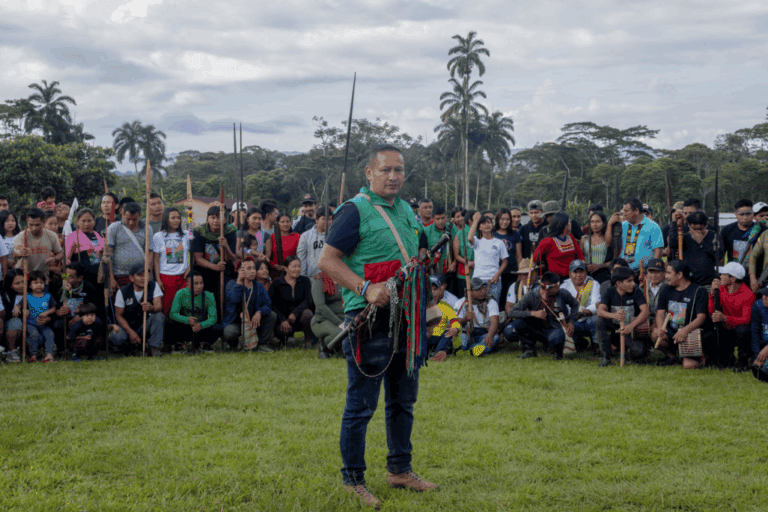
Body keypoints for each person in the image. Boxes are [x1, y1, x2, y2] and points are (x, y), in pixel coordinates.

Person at [318, 144, 437, 507]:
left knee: (403, 401)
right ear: (369, 173)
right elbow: (327, 260)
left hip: (407, 318)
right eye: (386, 170)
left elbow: (416, 260)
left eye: (399, 170)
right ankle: (353, 479)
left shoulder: (406, 211)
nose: (394, 176)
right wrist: (365, 288)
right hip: (368, 322)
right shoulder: (354, 211)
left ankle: (400, 470)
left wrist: (429, 310)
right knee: (361, 405)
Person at [508, 271, 579, 360]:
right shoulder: (531, 295)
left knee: (557, 336)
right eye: (556, 285)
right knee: (518, 322)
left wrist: (571, 322)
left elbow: (575, 304)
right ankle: (529, 350)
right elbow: (512, 312)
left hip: (555, 328)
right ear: (547, 288)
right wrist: (533, 313)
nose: (558, 287)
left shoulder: (562, 293)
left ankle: (557, 352)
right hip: (536, 328)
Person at [653, 261, 710, 368]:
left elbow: (701, 317)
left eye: (669, 273)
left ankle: (704, 357)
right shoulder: (665, 289)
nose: (666, 276)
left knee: (689, 365)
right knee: (655, 334)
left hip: (691, 331)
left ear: (679, 274)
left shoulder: (698, 291)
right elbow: (660, 312)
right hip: (672, 331)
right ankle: (672, 356)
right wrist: (661, 327)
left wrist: (685, 331)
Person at [595, 266, 651, 366]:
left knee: (638, 352)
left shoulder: (636, 291)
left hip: (631, 332)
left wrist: (631, 325)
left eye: (633, 280)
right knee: (600, 322)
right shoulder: (609, 291)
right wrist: (614, 315)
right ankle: (606, 357)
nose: (633, 284)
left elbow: (646, 311)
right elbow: (600, 311)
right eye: (629, 281)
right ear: (618, 283)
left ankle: (629, 352)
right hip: (615, 331)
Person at [110, 262, 164, 357]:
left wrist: (151, 308)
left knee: (159, 316)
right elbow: (118, 315)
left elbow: (158, 307)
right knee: (116, 336)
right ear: (131, 278)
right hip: (128, 327)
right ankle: (128, 349)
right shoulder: (122, 292)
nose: (144, 278)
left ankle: (153, 348)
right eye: (139, 275)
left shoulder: (154, 286)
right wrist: (130, 332)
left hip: (145, 326)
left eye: (146, 274)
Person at [222, 257, 275, 351]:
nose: (253, 271)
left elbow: (268, 304)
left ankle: (261, 343)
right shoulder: (231, 284)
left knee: (272, 315)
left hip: (255, 321)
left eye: (253, 268)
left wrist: (259, 312)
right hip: (237, 323)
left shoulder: (259, 286)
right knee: (229, 331)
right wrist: (239, 281)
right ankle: (234, 345)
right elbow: (235, 299)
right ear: (239, 271)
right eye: (248, 269)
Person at [708, 262, 753, 370]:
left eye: (724, 274)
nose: (720, 276)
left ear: (733, 278)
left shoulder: (748, 295)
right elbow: (711, 311)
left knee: (743, 330)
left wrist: (725, 318)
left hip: (739, 329)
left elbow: (746, 319)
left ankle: (743, 361)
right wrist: (712, 293)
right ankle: (723, 358)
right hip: (725, 328)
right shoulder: (721, 289)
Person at [192, 205, 237, 310]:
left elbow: (232, 259)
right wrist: (215, 267)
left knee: (224, 294)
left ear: (225, 219)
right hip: (205, 269)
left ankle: (222, 318)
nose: (216, 221)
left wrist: (226, 246)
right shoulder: (199, 231)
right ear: (208, 219)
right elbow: (198, 259)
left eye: (219, 217)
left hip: (224, 270)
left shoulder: (230, 232)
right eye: (213, 217)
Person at [607, 197, 664, 273]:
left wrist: (652, 272)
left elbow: (658, 252)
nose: (624, 214)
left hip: (644, 272)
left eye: (626, 211)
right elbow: (608, 243)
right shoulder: (622, 225)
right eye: (623, 211)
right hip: (624, 272)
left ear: (636, 211)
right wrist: (609, 225)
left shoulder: (653, 226)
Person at [169, 272, 221, 353]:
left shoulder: (209, 296)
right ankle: (179, 344)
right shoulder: (181, 294)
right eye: (196, 283)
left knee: (218, 327)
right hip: (185, 327)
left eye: (201, 283)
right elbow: (172, 314)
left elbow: (213, 318)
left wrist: (201, 325)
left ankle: (205, 344)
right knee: (170, 323)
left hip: (201, 328)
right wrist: (187, 320)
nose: (200, 286)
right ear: (188, 285)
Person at [669, 210, 722, 289]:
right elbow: (672, 244)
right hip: (690, 282)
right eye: (694, 229)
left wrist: (701, 242)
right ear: (688, 225)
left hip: (709, 283)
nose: (697, 232)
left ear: (706, 225)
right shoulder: (685, 237)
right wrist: (674, 222)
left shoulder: (714, 236)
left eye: (700, 229)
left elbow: (719, 255)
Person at [105, 202, 153, 290]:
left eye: (135, 219)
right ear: (122, 214)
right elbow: (108, 255)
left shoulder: (147, 228)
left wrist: (147, 273)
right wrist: (111, 278)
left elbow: (149, 252)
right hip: (119, 274)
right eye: (128, 219)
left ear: (140, 216)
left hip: (140, 276)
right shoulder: (113, 228)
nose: (131, 223)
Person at [152, 207, 191, 315]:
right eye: (173, 218)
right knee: (167, 309)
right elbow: (156, 259)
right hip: (166, 278)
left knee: (183, 309)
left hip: (183, 277)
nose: (176, 220)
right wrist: (158, 279)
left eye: (178, 217)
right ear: (166, 219)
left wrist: (190, 267)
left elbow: (194, 253)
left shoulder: (186, 234)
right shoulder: (158, 236)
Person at [269, 255, 313, 347]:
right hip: (284, 320)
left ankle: (308, 340)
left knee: (308, 313)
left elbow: (308, 300)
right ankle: (286, 338)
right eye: (294, 266)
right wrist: (282, 320)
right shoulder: (277, 283)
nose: (297, 269)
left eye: (299, 266)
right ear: (285, 268)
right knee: (284, 337)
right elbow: (273, 305)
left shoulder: (305, 281)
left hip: (299, 317)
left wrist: (295, 313)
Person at [467, 211, 508, 302]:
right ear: (479, 227)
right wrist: (475, 221)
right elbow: (469, 238)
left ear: (492, 225)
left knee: (493, 304)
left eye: (489, 222)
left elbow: (504, 261)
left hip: (493, 280)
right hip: (478, 279)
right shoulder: (477, 241)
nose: (487, 225)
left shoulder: (499, 243)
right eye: (483, 223)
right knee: (477, 305)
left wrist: (497, 275)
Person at [454, 278, 501, 357]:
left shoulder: (491, 302)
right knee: (462, 340)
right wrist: (466, 319)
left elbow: (494, 322)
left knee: (495, 337)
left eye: (483, 288)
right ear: (470, 292)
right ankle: (473, 349)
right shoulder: (460, 303)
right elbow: (455, 324)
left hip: (484, 333)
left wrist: (489, 335)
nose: (483, 291)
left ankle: (470, 350)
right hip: (466, 333)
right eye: (478, 289)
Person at [561, 260, 600, 350]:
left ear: (586, 272)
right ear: (570, 274)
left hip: (588, 318)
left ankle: (596, 344)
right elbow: (563, 307)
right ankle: (580, 343)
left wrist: (581, 312)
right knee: (561, 325)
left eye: (581, 271)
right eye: (575, 272)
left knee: (597, 319)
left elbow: (596, 304)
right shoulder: (564, 286)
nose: (578, 275)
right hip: (571, 321)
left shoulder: (593, 283)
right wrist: (574, 314)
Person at [532, 212, 584, 279]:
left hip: (573, 278)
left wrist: (582, 266)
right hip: (556, 279)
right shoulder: (547, 241)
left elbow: (579, 253)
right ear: (565, 225)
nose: (571, 224)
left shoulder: (571, 237)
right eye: (569, 222)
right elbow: (534, 258)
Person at [13, 208, 63, 275]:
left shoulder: (52, 236)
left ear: (43, 222)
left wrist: (55, 259)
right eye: (31, 225)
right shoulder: (21, 236)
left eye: (37, 225)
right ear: (27, 222)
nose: (34, 228)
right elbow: (16, 252)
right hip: (24, 276)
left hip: (42, 276)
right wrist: (21, 253)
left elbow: (60, 253)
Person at [65, 208, 105, 288]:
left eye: (89, 221)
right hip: (82, 277)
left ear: (94, 221)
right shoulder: (73, 237)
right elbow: (66, 259)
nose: (86, 224)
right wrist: (65, 279)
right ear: (77, 222)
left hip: (99, 275)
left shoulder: (98, 235)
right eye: (83, 221)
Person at [24, 270, 56, 362]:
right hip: (31, 323)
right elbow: (20, 305)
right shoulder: (27, 296)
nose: (39, 285)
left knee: (50, 335)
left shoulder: (48, 296)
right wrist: (19, 308)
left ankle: (49, 355)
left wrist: (46, 313)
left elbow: (54, 308)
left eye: (41, 283)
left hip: (44, 324)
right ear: (30, 285)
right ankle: (33, 355)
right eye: (35, 283)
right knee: (34, 335)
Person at [427, 275, 461, 362]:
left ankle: (439, 352)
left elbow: (455, 321)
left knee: (448, 332)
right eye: (430, 289)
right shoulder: (419, 306)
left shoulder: (445, 306)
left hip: (439, 337)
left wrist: (455, 328)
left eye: (435, 289)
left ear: (440, 290)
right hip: (425, 336)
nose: (433, 292)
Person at [312, 269, 344, 359]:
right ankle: (323, 346)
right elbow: (320, 306)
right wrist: (339, 323)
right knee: (341, 334)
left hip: (344, 317)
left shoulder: (345, 278)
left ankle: (335, 348)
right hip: (322, 320)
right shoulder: (319, 279)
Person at [721, 199, 764, 266]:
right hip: (733, 273)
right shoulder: (726, 230)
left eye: (748, 214)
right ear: (735, 214)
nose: (745, 217)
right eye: (741, 214)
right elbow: (721, 255)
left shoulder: (762, 230)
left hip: (755, 274)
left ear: (753, 213)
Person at [494, 207, 522, 301]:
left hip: (512, 272)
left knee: (510, 297)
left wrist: (520, 273)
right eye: (502, 219)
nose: (505, 222)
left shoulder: (515, 234)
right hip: (496, 272)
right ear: (497, 219)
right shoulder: (492, 233)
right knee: (496, 297)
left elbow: (518, 255)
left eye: (507, 219)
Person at [420, 206, 456, 276]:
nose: (441, 221)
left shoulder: (453, 228)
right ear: (433, 219)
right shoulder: (426, 231)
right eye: (437, 219)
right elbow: (422, 251)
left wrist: (454, 263)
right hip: (432, 269)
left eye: (443, 218)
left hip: (450, 270)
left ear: (446, 217)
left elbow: (458, 249)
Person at [297, 206, 331, 278]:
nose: (327, 222)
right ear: (316, 220)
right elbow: (301, 258)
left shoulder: (334, 235)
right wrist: (303, 278)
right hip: (312, 278)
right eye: (324, 219)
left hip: (331, 278)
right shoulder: (306, 236)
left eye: (329, 219)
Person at [580, 211, 613, 283]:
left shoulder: (607, 240)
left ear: (604, 224)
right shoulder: (584, 239)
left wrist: (600, 266)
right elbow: (580, 257)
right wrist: (585, 265)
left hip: (603, 275)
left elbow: (613, 260)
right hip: (587, 275)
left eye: (598, 221)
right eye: (592, 222)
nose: (594, 224)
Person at [2, 269, 25, 362]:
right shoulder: (6, 296)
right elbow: (7, 315)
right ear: (10, 285)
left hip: (32, 324)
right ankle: (11, 351)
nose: (22, 285)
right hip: (12, 327)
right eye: (17, 283)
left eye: (23, 281)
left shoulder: (34, 292)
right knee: (16, 322)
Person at [451, 207, 474, 298]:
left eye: (463, 216)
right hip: (463, 271)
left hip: (478, 270)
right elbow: (456, 255)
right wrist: (469, 263)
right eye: (458, 216)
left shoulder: (478, 232)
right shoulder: (458, 234)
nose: (461, 218)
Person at [751, 287, 768, 374]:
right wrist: (757, 356)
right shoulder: (758, 305)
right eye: (764, 294)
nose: (765, 297)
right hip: (763, 345)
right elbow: (755, 333)